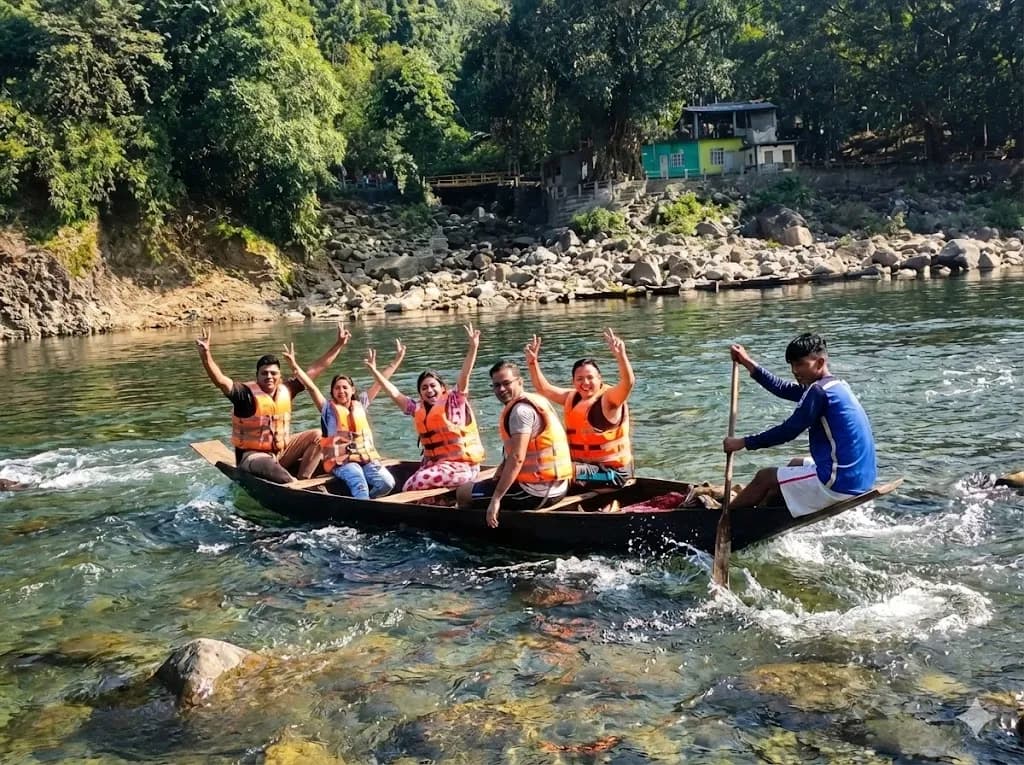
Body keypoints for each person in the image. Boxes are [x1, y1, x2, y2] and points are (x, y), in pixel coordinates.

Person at [722, 333, 877, 516]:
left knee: (765, 477)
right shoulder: (837, 385)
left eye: (800, 364)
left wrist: (742, 443)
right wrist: (747, 362)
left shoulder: (819, 392)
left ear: (819, 363)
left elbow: (788, 431)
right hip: (861, 479)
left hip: (838, 484)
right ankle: (768, 512)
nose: (795, 371)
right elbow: (783, 388)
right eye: (792, 365)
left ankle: (724, 518)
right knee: (795, 463)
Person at [196, 323, 352, 484]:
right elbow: (220, 381)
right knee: (268, 465)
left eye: (273, 373)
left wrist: (338, 345)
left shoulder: (286, 390)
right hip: (253, 457)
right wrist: (206, 355)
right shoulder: (244, 395)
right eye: (264, 373)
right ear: (257, 376)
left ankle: (303, 482)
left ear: (279, 376)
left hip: (280, 452)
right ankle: (292, 483)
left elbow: (315, 370)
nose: (269, 377)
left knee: (318, 436)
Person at [364, 324, 486, 491]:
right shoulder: (417, 409)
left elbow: (465, 375)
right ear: (420, 394)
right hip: (437, 466)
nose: (429, 390)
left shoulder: (454, 401)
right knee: (417, 487)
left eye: (433, 386)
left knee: (412, 484)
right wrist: (374, 371)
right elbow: (394, 393)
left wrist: (473, 347)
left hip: (462, 468)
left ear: (442, 388)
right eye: (424, 388)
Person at [455, 360, 573, 528]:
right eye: (496, 385)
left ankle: (480, 529)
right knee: (486, 481)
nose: (501, 389)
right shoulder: (537, 400)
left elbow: (517, 457)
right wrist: (500, 471)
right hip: (559, 486)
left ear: (520, 382)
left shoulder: (520, 412)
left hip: (536, 493)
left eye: (506, 383)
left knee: (463, 493)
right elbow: (517, 452)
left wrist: (496, 498)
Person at [281, 342, 404, 499]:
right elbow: (311, 387)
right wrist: (294, 366)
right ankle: (363, 507)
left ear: (352, 390)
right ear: (332, 392)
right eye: (337, 388)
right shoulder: (327, 409)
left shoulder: (361, 404)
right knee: (359, 483)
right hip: (341, 462)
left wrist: (396, 360)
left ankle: (366, 504)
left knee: (387, 483)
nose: (341, 391)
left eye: (345, 387)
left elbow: (381, 383)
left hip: (365, 459)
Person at [524, 328, 634, 487]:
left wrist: (621, 356)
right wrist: (532, 363)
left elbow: (627, 383)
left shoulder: (609, 400)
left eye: (590, 378)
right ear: (573, 382)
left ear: (600, 379)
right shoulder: (572, 397)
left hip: (613, 474)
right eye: (580, 379)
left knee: (559, 469)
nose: (585, 383)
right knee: (542, 463)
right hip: (585, 467)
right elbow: (543, 388)